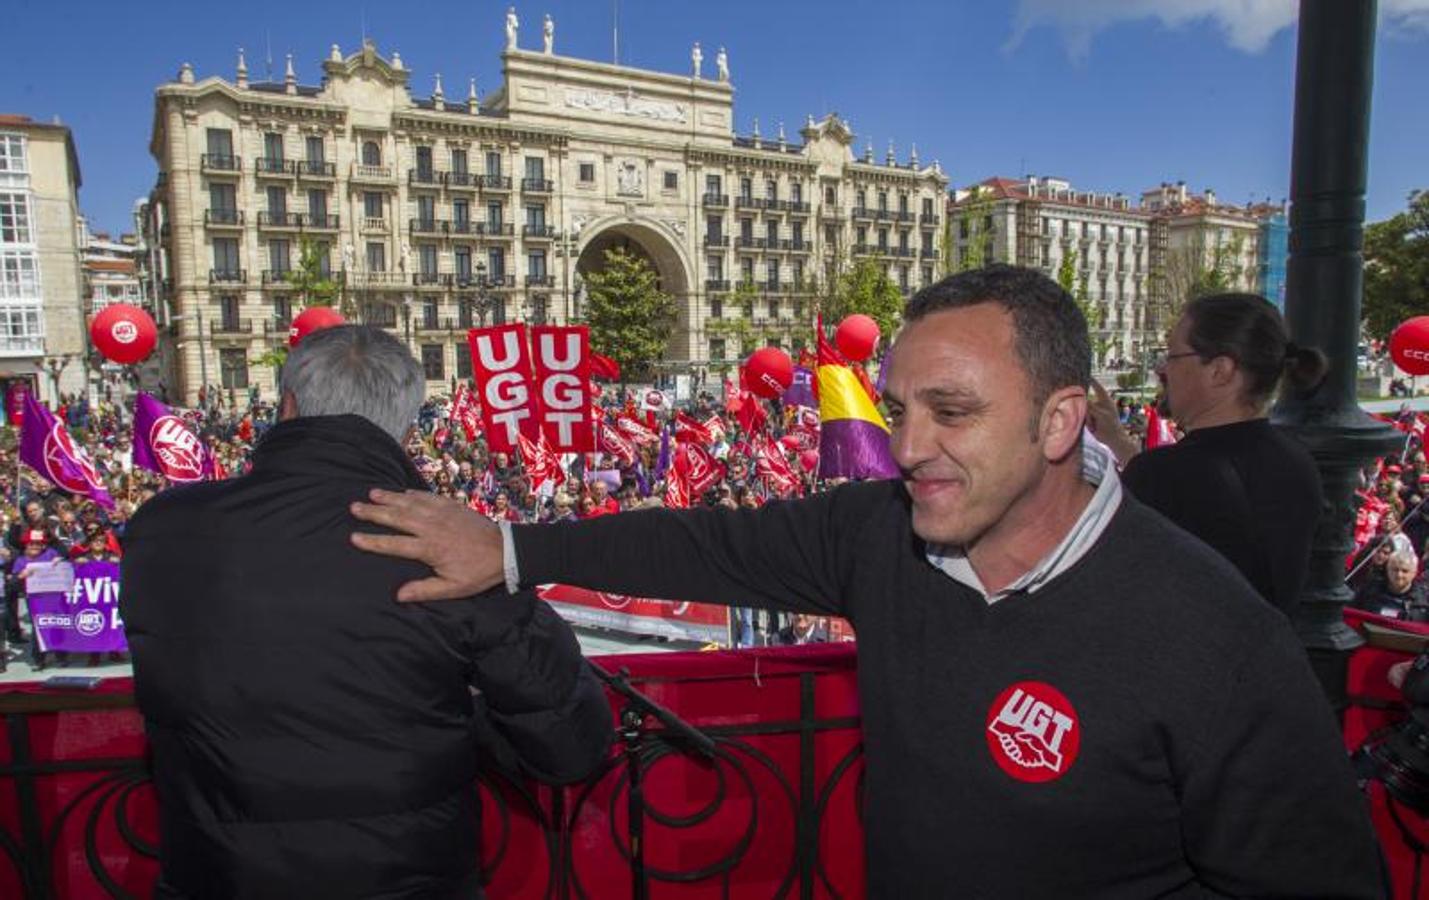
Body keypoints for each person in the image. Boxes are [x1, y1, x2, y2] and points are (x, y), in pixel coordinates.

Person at [351, 265, 1381, 897]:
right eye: (897, 410)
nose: (910, 447)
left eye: (951, 410)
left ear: (1061, 420)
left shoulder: (1210, 634)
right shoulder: (878, 535)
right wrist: (513, 549)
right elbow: (707, 546)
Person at [122, 325, 612, 899]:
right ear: (406, 425)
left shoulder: (163, 529)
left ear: (288, 406)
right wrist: (459, 717)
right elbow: (570, 746)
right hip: (406, 881)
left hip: (216, 879)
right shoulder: (446, 543)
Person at [1088, 292, 1328, 616]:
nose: (1162, 369)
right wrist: (1118, 441)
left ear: (1220, 370)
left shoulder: (1164, 476)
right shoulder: (1298, 462)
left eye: (1172, 356)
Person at [1353, 548, 1429, 621]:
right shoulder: (1368, 591)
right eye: (1395, 569)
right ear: (1387, 569)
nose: (1399, 575)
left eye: (1405, 571)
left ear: (1414, 573)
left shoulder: (1425, 601)